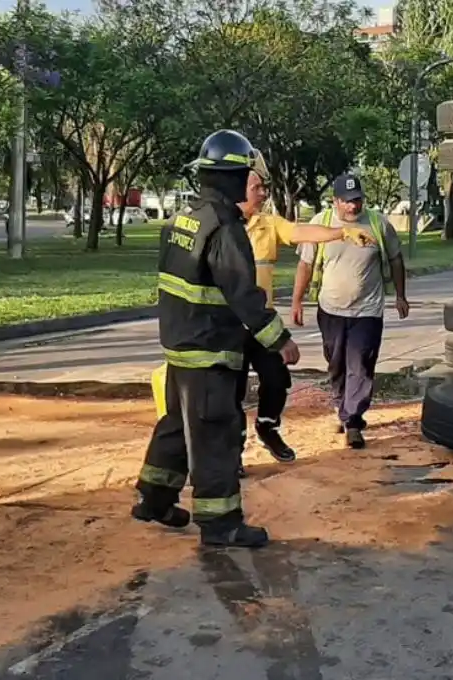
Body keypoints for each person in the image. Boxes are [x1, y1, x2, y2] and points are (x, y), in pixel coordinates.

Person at [132, 129, 301, 549]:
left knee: (176, 425)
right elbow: (243, 294)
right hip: (208, 350)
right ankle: (221, 523)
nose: (250, 182)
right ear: (232, 176)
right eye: (246, 173)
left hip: (180, 345)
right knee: (215, 435)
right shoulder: (225, 228)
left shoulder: (182, 220)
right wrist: (280, 342)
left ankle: (154, 499)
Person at [233, 156, 376, 475]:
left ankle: (268, 428)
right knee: (233, 390)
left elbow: (300, 231)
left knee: (277, 378)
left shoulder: (267, 223)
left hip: (262, 323)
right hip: (229, 326)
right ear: (237, 190)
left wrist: (341, 233)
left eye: (264, 187)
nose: (263, 193)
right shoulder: (223, 227)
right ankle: (234, 453)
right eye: (257, 188)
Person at [291, 174, 409, 449]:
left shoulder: (379, 223)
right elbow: (305, 265)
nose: (353, 207)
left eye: (357, 201)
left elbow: (395, 259)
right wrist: (297, 301)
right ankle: (342, 406)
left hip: (368, 310)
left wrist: (401, 295)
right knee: (336, 364)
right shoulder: (320, 225)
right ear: (335, 201)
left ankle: (353, 420)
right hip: (330, 309)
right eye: (347, 202)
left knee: (361, 364)